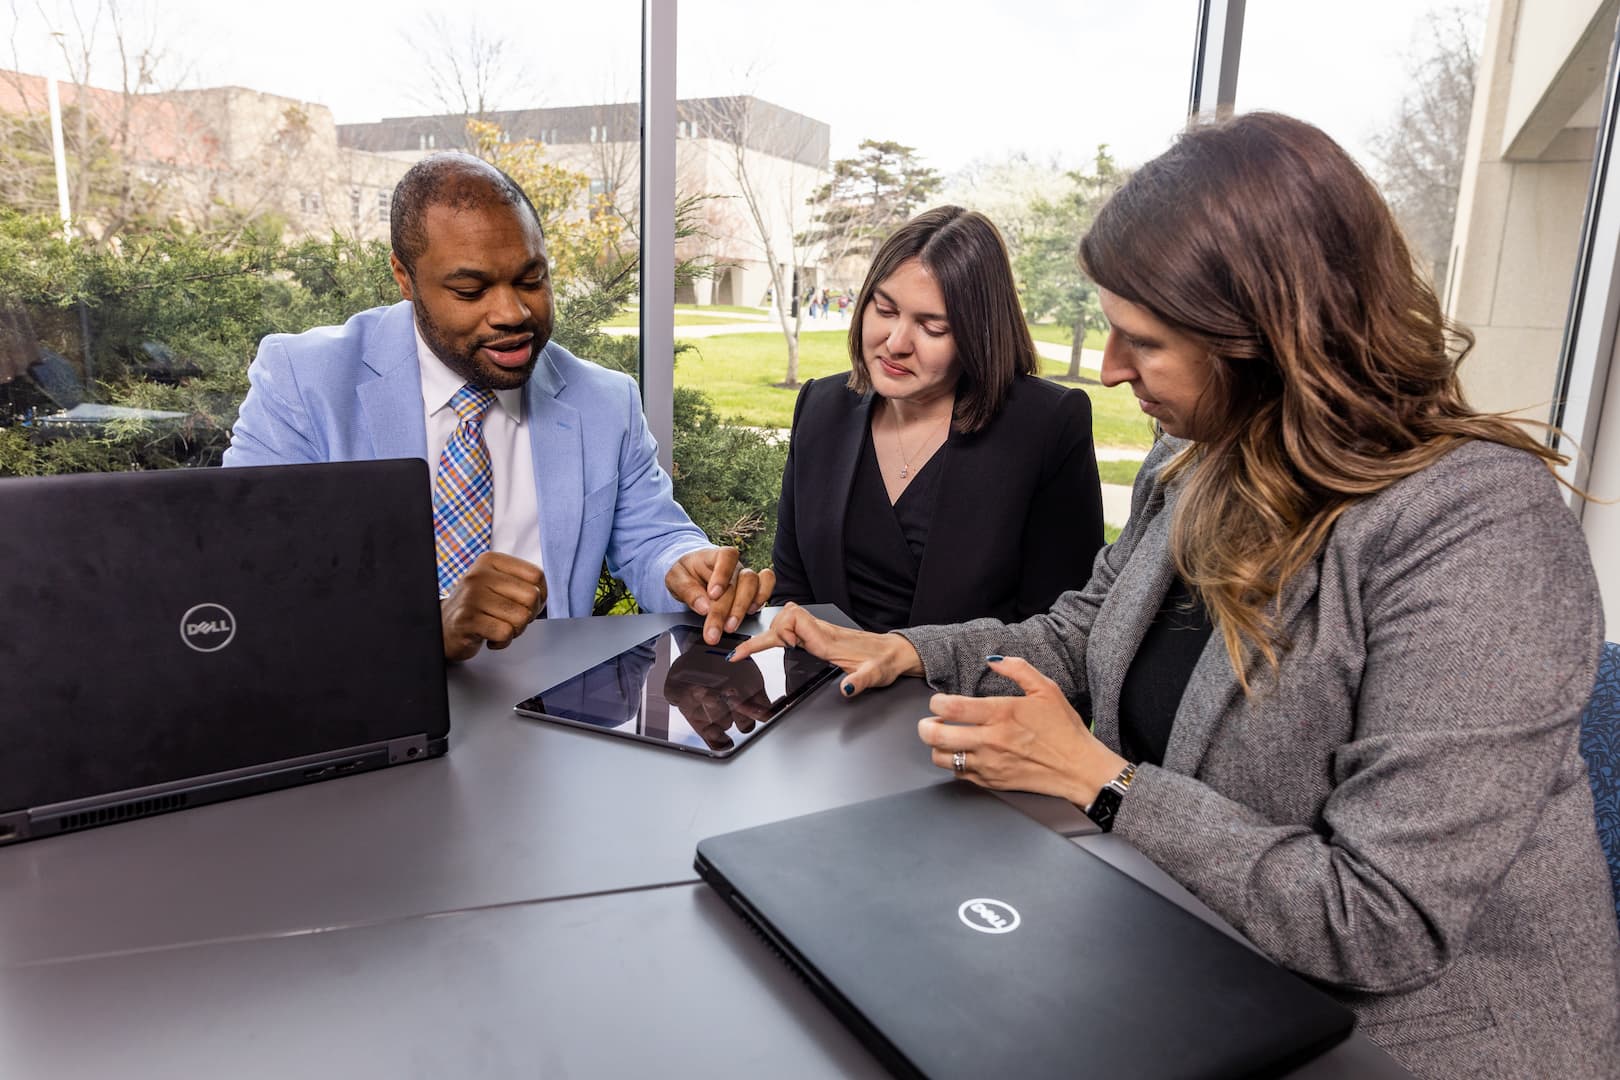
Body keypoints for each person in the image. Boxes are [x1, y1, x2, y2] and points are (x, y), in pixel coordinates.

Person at [734, 114, 1619, 1076]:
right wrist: (908, 650)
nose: (1110, 369)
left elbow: (1378, 921)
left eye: (1142, 342)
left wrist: (1099, 781)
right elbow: (1080, 633)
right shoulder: (1198, 456)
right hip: (1177, 949)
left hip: (1399, 1045)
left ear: (1268, 342)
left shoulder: (1476, 529)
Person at [224, 153, 772, 661]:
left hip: (552, 721)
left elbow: (652, 537)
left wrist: (686, 568)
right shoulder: (304, 383)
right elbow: (255, 581)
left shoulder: (604, 401)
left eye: (531, 279)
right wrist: (428, 626)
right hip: (364, 710)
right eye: (470, 290)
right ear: (404, 277)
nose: (512, 313)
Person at [769, 205, 1104, 633]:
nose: (895, 343)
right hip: (824, 691)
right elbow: (791, 594)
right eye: (885, 310)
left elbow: (1062, 632)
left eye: (932, 327)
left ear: (978, 333)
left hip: (969, 697)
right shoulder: (820, 406)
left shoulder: (1046, 426)